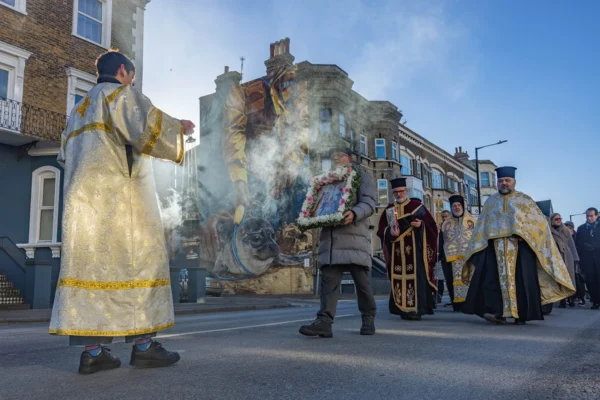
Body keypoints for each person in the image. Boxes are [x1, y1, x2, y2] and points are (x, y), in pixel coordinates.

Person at [49, 50, 195, 374]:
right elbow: (146, 129)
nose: (132, 82)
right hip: (121, 204)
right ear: (122, 72)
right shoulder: (121, 95)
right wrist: (179, 128)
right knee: (139, 265)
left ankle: (92, 353)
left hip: (83, 209)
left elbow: (63, 156)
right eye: (132, 76)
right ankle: (144, 347)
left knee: (91, 273)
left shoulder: (78, 110)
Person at [462, 167, 575, 325]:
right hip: (495, 249)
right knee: (492, 281)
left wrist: (524, 235)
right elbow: (481, 227)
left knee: (522, 281)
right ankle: (497, 313)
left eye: (507, 180)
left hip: (521, 249)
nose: (504, 183)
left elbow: (540, 224)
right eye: (501, 181)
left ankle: (521, 315)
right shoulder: (490, 202)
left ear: (514, 182)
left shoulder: (525, 201)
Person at [299, 141, 377, 338]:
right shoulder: (327, 181)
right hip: (331, 242)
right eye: (333, 156)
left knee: (362, 284)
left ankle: (368, 317)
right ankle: (324, 322)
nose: (336, 158)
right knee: (328, 284)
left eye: (340, 155)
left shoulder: (361, 176)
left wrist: (355, 212)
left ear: (350, 158)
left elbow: (369, 203)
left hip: (354, 240)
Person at [377, 178, 438, 321]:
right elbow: (380, 230)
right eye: (395, 192)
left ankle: (416, 310)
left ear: (406, 191)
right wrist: (389, 232)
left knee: (416, 278)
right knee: (398, 279)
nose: (399, 194)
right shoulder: (389, 210)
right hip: (397, 253)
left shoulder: (417, 206)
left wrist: (421, 225)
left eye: (401, 191)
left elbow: (432, 228)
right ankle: (402, 309)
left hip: (415, 252)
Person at [441, 195, 476, 312]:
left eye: (458, 205)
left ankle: (470, 305)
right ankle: (457, 305)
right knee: (452, 281)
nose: (456, 207)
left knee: (469, 280)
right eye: (454, 206)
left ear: (462, 206)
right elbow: (442, 240)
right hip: (451, 258)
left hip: (469, 257)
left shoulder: (473, 221)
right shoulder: (446, 223)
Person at [550, 213, 580, 308]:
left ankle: (571, 298)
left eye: (560, 218)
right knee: (559, 279)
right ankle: (562, 300)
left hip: (567, 256)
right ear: (552, 220)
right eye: (556, 219)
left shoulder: (565, 229)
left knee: (569, 278)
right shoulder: (549, 230)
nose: (559, 220)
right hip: (555, 256)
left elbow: (571, 244)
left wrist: (575, 258)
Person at [576, 208, 600, 309]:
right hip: (587, 260)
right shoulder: (581, 229)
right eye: (587, 216)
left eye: (591, 216)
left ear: (597, 215)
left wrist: (595, 246)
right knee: (591, 282)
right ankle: (595, 302)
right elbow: (578, 244)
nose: (589, 218)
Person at [438, 210, 453, 307]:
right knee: (448, 279)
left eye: (446, 216)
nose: (444, 218)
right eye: (443, 217)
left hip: (453, 255)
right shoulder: (440, 228)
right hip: (443, 256)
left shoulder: (453, 226)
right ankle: (452, 298)